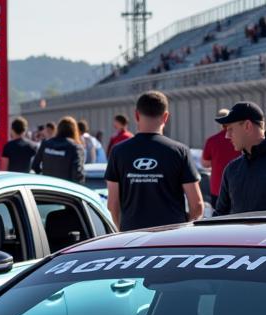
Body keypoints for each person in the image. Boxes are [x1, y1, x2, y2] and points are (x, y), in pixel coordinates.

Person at [104, 91, 202, 231]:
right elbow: (197, 204)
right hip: (171, 237)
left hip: (133, 237)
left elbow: (112, 204)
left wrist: (122, 231)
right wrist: (184, 230)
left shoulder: (118, 151)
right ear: (165, 117)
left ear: (137, 115)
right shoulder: (180, 151)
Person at [214, 101, 266, 215]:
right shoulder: (232, 169)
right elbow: (220, 217)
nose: (227, 135)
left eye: (230, 129)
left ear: (247, 126)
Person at [200, 109, 237, 208]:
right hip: (237, 186)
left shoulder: (212, 140)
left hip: (217, 187)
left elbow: (205, 163)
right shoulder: (239, 138)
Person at [33, 117, 85, 184]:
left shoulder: (46, 144)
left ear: (59, 129)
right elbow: (78, 176)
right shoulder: (75, 148)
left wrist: (44, 178)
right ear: (74, 130)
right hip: (65, 190)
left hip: (46, 189)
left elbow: (35, 166)